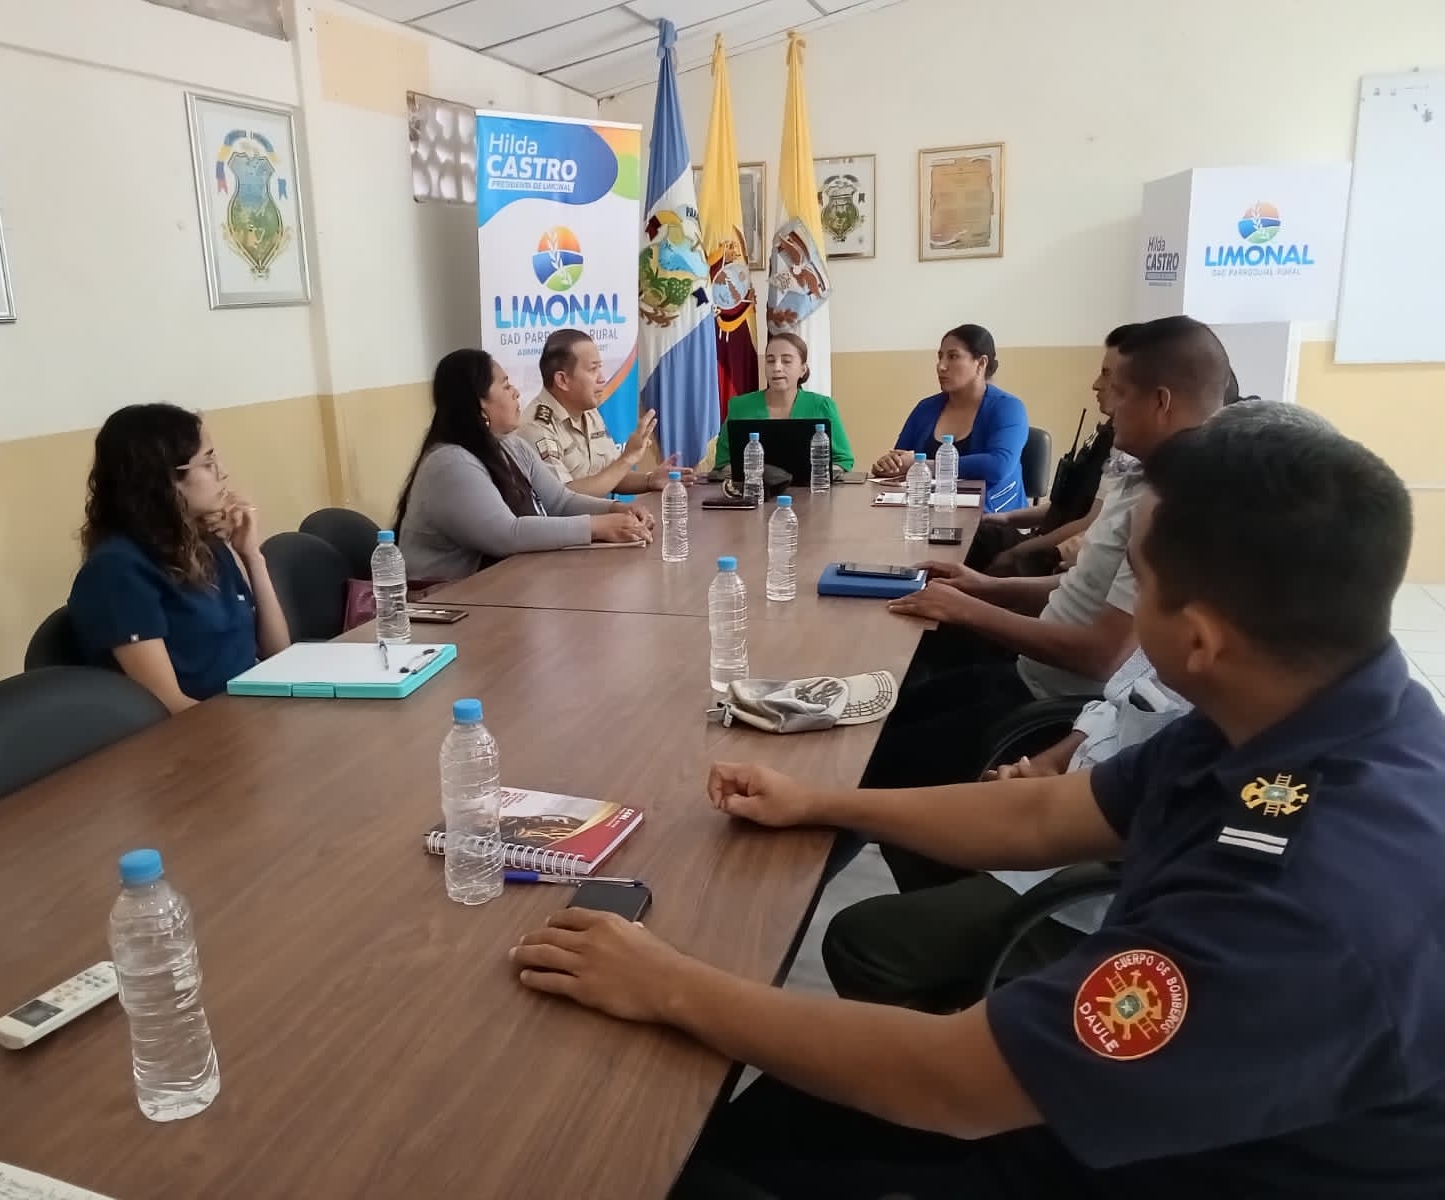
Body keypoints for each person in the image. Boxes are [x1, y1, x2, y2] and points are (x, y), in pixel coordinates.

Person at [510, 402, 1445, 1199]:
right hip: (1132, 1107)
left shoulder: (1304, 901)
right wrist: (823, 803)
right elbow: (1043, 816)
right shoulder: (1285, 708)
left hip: (1171, 1161)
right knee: (744, 1129)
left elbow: (958, 1088)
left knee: (669, 1161)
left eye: (1141, 582)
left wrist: (667, 982)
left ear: (1199, 639)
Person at [854, 316, 1229, 796]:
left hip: (1052, 709)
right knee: (888, 713)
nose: (1099, 391)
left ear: (1161, 402)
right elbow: (1081, 588)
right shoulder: (1140, 480)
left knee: (876, 759)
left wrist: (968, 610)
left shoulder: (1174, 508)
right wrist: (984, 586)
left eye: (1117, 387)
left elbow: (1103, 657)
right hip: (1029, 677)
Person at [823, 648, 1190, 1010]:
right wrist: (1045, 766)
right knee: (907, 830)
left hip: (1084, 896)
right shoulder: (1185, 641)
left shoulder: (1208, 730)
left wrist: (818, 803)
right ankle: (961, 983)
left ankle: (964, 1031)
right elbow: (1114, 707)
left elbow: (1062, 827)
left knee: (861, 942)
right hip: (1059, 820)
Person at [69, 404, 291, 713]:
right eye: (208, 462)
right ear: (166, 479)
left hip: (250, 712)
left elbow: (278, 653)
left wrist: (252, 556)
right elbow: (169, 705)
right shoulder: (117, 571)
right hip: (199, 731)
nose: (222, 472)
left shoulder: (203, 543)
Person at [395, 349, 653, 583]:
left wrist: (617, 509)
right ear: (480, 401)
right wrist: (598, 526)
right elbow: (506, 534)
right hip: (444, 599)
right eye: (506, 386)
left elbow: (560, 502)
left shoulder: (511, 445)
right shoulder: (450, 463)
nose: (516, 392)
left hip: (502, 586)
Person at [969, 324, 1143, 576]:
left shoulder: (1127, 452)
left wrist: (1018, 553)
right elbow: (1066, 507)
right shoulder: (1107, 434)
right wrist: (1009, 518)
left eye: (1107, 374)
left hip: (1058, 554)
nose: (1096, 385)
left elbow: (1089, 523)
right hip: (1047, 538)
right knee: (973, 532)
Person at [870, 325, 1028, 513]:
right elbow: (901, 460)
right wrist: (888, 466)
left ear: (981, 363)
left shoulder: (1007, 407)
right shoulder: (925, 408)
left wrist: (922, 465)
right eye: (940, 357)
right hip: (927, 512)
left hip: (991, 518)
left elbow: (998, 466)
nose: (941, 366)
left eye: (953, 356)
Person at [514, 330, 688, 497]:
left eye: (600, 368)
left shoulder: (588, 411)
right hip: (572, 519)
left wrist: (649, 480)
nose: (602, 378)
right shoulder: (537, 427)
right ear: (562, 380)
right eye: (593, 369)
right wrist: (627, 459)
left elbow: (611, 476)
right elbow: (563, 498)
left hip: (600, 516)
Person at [711, 332, 855, 473]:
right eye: (770, 361)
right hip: (753, 487)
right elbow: (723, 463)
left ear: (803, 369)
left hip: (812, 487)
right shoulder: (740, 407)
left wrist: (816, 474)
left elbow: (843, 460)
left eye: (786, 361)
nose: (776, 368)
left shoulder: (822, 406)